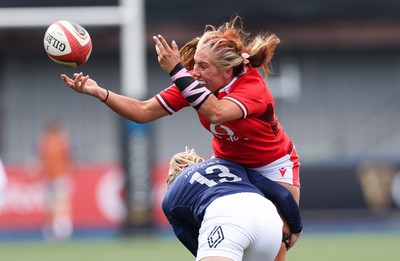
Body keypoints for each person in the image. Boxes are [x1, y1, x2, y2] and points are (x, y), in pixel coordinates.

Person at [60, 15, 301, 255]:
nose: (194, 72)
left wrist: (176, 70)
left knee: (279, 243)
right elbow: (143, 112)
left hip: (273, 165)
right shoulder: (194, 84)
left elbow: (216, 113)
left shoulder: (252, 87)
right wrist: (100, 93)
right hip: (231, 164)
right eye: (194, 63)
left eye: (203, 67)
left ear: (227, 73)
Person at [162, 148, 302, 261]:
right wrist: (297, 228)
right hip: (269, 220)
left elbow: (194, 244)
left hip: (226, 217)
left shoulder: (171, 196)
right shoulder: (228, 164)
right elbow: (282, 194)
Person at [38, 118, 73, 242]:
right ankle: (55, 232)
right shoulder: (48, 140)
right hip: (51, 176)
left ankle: (61, 231)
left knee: (59, 205)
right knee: (53, 205)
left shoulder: (58, 139)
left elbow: (67, 157)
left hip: (59, 176)